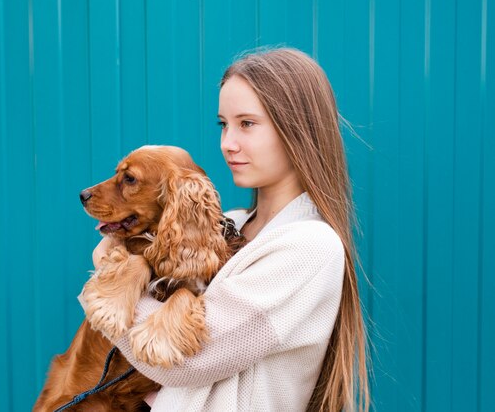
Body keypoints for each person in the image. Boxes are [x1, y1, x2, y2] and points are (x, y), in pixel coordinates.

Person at [91, 47, 369, 412]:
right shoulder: (232, 225)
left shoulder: (311, 247)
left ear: (298, 130)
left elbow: (189, 360)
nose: (228, 144)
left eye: (247, 124)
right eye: (223, 124)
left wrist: (108, 271)